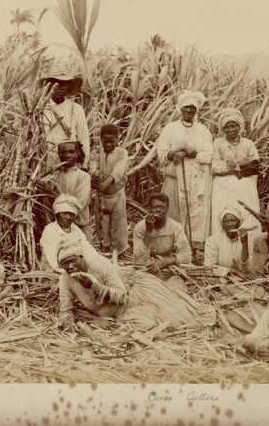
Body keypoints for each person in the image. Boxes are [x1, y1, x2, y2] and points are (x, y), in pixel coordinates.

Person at [41, 196, 215, 331]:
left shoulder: (99, 264)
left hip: (134, 292)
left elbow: (122, 297)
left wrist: (95, 287)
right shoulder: (65, 277)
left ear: (81, 257)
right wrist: (67, 322)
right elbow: (65, 306)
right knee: (140, 326)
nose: (70, 267)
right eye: (65, 263)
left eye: (73, 261)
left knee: (177, 318)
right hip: (115, 310)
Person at [40, 195, 128, 330]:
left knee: (115, 276)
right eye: (64, 213)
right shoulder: (50, 230)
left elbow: (87, 250)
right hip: (56, 270)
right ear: (57, 214)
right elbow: (53, 260)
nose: (68, 217)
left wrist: (103, 265)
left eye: (71, 214)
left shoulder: (75, 230)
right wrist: (70, 272)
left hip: (77, 267)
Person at [156, 90, 213, 255]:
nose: (189, 111)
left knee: (194, 217)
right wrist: (176, 151)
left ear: (196, 111)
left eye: (193, 108)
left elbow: (208, 155)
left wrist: (189, 152)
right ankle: (172, 249)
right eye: (186, 108)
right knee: (174, 214)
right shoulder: (170, 128)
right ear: (180, 109)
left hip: (196, 182)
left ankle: (191, 251)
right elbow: (162, 156)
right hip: (175, 179)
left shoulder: (203, 130)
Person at [210, 108, 260, 234]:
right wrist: (233, 166)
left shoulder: (248, 144)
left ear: (240, 126)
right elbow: (215, 165)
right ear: (223, 128)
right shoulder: (218, 143)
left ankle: (249, 240)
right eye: (227, 127)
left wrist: (236, 166)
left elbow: (254, 165)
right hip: (223, 185)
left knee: (245, 213)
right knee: (225, 214)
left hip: (244, 184)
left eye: (234, 126)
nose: (231, 130)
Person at [133, 192, 191, 290]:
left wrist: (165, 261)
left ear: (167, 209)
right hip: (148, 270)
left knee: (176, 291)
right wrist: (148, 231)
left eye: (162, 207)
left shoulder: (175, 227)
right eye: (155, 207)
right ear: (149, 209)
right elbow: (139, 259)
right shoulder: (140, 227)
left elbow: (187, 254)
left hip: (169, 270)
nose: (158, 210)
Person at [40, 69, 90, 170]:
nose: (61, 88)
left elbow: (83, 138)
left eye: (65, 84)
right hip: (45, 162)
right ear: (49, 85)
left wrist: (85, 164)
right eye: (58, 84)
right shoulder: (41, 108)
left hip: (70, 163)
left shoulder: (76, 109)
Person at [91, 124, 128, 256]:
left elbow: (119, 170)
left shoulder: (122, 153)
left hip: (117, 194)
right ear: (100, 139)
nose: (108, 143)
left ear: (117, 139)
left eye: (112, 140)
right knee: (103, 221)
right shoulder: (96, 153)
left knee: (119, 221)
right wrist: (95, 175)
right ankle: (105, 247)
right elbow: (92, 167)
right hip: (102, 195)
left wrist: (106, 183)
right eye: (105, 140)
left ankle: (120, 250)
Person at [204, 204, 262, 278]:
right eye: (226, 221)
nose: (230, 224)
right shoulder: (212, 241)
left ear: (239, 223)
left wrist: (244, 244)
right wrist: (234, 271)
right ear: (222, 225)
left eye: (233, 220)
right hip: (219, 279)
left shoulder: (246, 239)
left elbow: (246, 268)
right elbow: (209, 268)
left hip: (241, 279)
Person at [53, 141, 92, 241]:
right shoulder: (53, 176)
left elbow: (79, 203)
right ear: (59, 154)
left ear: (77, 153)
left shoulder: (83, 177)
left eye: (71, 152)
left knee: (85, 255)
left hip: (79, 227)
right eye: (63, 152)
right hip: (58, 229)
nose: (67, 155)